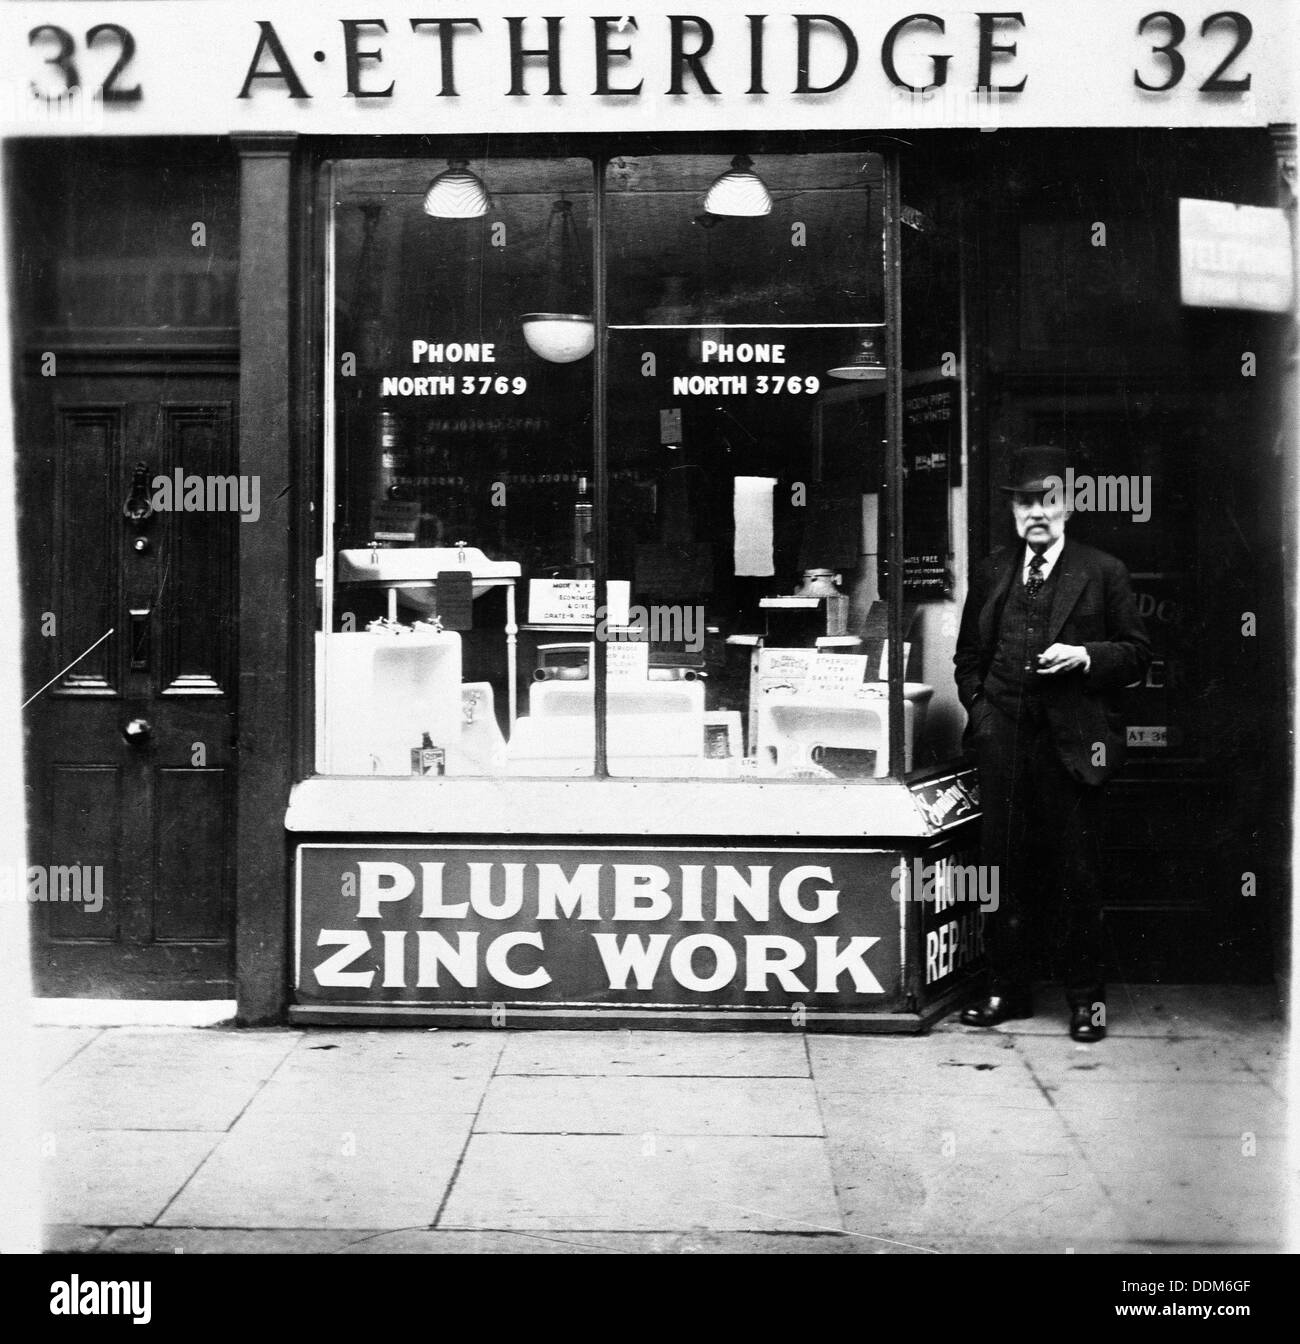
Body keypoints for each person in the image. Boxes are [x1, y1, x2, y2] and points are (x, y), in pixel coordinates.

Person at [954, 445, 1151, 1041]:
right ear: (1014, 511)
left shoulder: (1103, 571)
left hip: (1073, 747)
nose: (1036, 513)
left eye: (1048, 500)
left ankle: (1085, 1003)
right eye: (1025, 503)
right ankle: (1006, 990)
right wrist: (983, 711)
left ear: (1069, 506)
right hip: (1005, 740)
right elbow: (967, 658)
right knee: (1002, 872)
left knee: (1077, 877)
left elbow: (1138, 655)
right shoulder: (992, 570)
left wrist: (1086, 655)